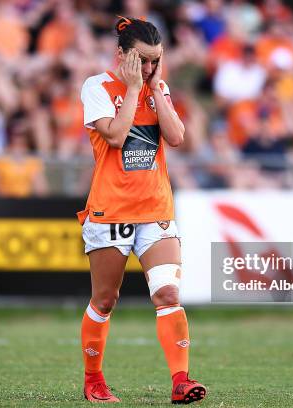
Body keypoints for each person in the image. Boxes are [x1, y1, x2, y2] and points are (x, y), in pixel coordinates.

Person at [77, 16, 206, 404]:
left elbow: (178, 137)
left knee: (167, 294)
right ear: (122, 54)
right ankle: (93, 380)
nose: (149, 68)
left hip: (156, 209)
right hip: (111, 212)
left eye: (156, 61)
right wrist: (134, 88)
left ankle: (180, 381)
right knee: (105, 300)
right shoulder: (97, 87)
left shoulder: (158, 87)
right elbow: (115, 137)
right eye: (143, 60)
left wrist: (154, 88)